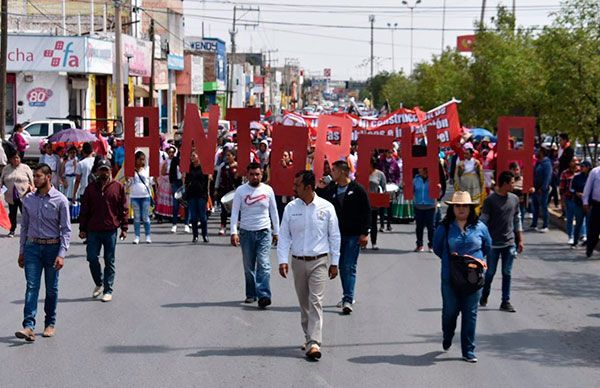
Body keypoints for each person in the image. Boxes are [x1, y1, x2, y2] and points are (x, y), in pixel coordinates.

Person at [277, 170, 341, 360]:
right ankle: (309, 336)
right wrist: (282, 260)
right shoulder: (291, 208)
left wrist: (335, 262)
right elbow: (284, 236)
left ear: (309, 187)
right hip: (298, 262)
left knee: (316, 302)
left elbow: (334, 235)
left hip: (319, 262)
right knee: (304, 304)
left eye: (297, 185)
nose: (294, 187)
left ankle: (314, 343)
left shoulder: (326, 207)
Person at [432, 191, 491, 363]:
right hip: (450, 277)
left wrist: (473, 261)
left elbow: (487, 246)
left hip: (473, 277)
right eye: (458, 205)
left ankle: (468, 350)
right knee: (450, 312)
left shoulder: (480, 227)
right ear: (452, 208)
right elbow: (437, 248)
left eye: (465, 205)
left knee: (470, 313)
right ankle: (448, 335)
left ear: (471, 208)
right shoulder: (445, 228)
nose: (461, 209)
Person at [15, 164, 71, 341]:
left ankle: (49, 323)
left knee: (51, 289)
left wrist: (61, 254)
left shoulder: (60, 200)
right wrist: (22, 251)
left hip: (52, 248)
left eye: (38, 176)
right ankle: (28, 326)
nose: (35, 179)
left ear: (48, 177)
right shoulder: (28, 199)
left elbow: (66, 230)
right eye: (34, 176)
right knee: (32, 286)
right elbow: (24, 227)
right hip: (32, 248)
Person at [317, 160, 370, 315]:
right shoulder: (331, 189)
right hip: (336, 235)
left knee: (349, 265)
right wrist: (320, 188)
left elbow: (367, 211)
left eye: (333, 170)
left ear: (342, 172)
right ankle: (347, 294)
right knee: (341, 266)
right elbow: (318, 202)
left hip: (353, 234)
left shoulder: (357, 189)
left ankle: (348, 298)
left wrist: (365, 232)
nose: (331, 172)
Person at [230, 162, 279, 307]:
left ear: (262, 174)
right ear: (247, 175)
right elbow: (234, 213)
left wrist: (276, 231)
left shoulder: (268, 190)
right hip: (246, 232)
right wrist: (234, 232)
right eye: (251, 174)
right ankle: (251, 294)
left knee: (264, 263)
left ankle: (263, 294)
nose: (254, 177)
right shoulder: (240, 191)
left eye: (257, 174)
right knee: (248, 266)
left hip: (264, 231)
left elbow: (274, 212)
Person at [79, 159, 128, 303]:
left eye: (106, 169)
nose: (104, 172)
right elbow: (85, 209)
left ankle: (108, 290)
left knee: (109, 260)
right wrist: (82, 228)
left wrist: (124, 228)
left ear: (110, 170)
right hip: (93, 229)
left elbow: (123, 209)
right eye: (101, 169)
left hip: (110, 229)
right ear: (97, 171)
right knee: (92, 257)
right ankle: (99, 283)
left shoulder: (118, 187)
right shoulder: (91, 188)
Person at [479, 171, 524, 313]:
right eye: (511, 182)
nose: (514, 185)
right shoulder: (490, 201)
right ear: (504, 184)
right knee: (490, 272)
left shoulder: (514, 199)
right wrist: (479, 239)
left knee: (507, 273)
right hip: (493, 244)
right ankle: (484, 294)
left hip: (509, 243)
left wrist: (520, 239)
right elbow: (483, 222)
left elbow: (517, 220)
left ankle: (505, 301)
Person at [0, 153, 34, 237]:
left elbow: (32, 180)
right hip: (10, 195)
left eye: (17, 158)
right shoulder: (6, 168)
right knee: (12, 214)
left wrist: (32, 188)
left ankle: (29, 230)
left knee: (25, 213)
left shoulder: (25, 168)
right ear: (10, 160)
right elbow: (1, 181)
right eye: (14, 158)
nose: (16, 160)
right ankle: (12, 230)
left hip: (24, 194)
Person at [184, 151, 210, 243]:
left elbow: (207, 182)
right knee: (194, 217)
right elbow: (186, 181)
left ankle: (205, 235)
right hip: (191, 195)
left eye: (194, 155)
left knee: (202, 216)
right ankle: (195, 236)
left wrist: (207, 195)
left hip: (201, 195)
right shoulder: (189, 168)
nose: (192, 157)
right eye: (191, 156)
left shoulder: (203, 167)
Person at [128, 151, 153, 244]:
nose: (142, 161)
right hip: (134, 196)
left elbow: (151, 182)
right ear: (136, 160)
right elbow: (128, 183)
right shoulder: (131, 170)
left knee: (145, 217)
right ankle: (137, 236)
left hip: (145, 195)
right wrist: (128, 179)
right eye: (140, 159)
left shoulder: (147, 169)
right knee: (137, 217)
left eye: (143, 159)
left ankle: (148, 236)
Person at [215, 149, 241, 235]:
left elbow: (244, 180)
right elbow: (218, 177)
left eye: (229, 155)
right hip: (224, 190)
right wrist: (216, 188)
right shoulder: (223, 166)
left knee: (236, 210)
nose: (227, 157)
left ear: (234, 156)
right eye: (226, 155)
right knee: (224, 210)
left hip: (235, 191)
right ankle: (223, 227)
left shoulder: (239, 166)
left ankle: (235, 227)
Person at [413, 167, 438, 252]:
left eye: (420, 168)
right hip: (418, 205)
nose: (418, 170)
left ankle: (431, 245)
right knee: (419, 227)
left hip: (430, 206)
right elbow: (410, 190)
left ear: (425, 169)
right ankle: (419, 245)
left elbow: (439, 193)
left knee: (431, 227)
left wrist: (439, 189)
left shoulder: (433, 179)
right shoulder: (415, 180)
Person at [531, 147, 553, 232]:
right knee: (535, 207)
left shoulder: (547, 163)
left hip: (542, 190)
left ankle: (545, 225)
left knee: (544, 207)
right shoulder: (538, 162)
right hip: (535, 189)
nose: (536, 152)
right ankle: (534, 224)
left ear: (542, 152)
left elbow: (547, 177)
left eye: (538, 151)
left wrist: (543, 188)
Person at [378, 149, 400, 231]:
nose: (389, 154)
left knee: (389, 206)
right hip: (383, 186)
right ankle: (382, 225)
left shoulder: (394, 163)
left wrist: (396, 183)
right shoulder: (381, 163)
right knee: (382, 206)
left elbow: (397, 175)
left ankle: (389, 224)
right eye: (387, 152)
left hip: (391, 186)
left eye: (391, 152)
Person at [559, 157, 580, 244]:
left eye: (576, 161)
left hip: (580, 200)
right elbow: (562, 188)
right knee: (570, 218)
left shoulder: (581, 172)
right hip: (569, 199)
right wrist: (562, 201)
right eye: (572, 161)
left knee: (580, 218)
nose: (575, 162)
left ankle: (582, 235)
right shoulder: (565, 173)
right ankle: (570, 236)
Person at [582, 163, 600, 258]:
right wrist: (585, 202)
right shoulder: (595, 172)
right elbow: (588, 187)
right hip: (597, 205)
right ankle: (590, 249)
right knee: (594, 230)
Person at [368, 158, 386, 250]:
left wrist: (382, 200)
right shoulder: (362, 172)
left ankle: (374, 242)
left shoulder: (380, 174)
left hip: (374, 203)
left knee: (373, 224)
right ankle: (363, 242)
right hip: (364, 202)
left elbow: (383, 188)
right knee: (364, 223)